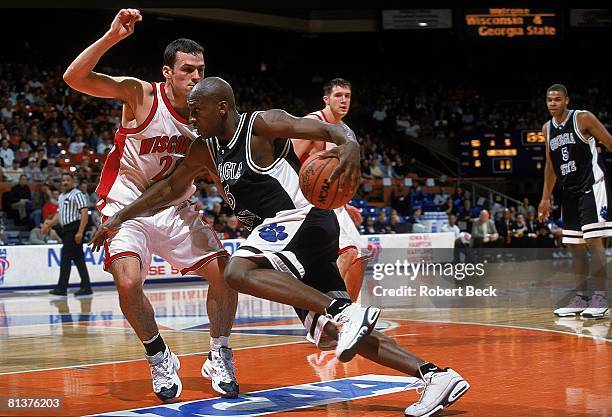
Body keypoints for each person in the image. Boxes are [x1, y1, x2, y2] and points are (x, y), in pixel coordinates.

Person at [91, 77, 469, 417]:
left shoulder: (260, 124)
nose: (190, 119)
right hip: (287, 241)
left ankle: (342, 310)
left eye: (196, 111)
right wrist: (118, 217)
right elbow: (168, 189)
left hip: (300, 220)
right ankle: (436, 376)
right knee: (330, 335)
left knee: (237, 271)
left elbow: (324, 128)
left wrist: (350, 145)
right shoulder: (206, 149)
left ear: (221, 107)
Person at [64, 9, 238, 401]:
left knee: (225, 275)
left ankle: (219, 351)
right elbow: (73, 79)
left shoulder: (207, 116)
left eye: (201, 69)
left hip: (175, 208)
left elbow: (220, 169)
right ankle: (159, 354)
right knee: (128, 283)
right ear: (167, 72)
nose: (196, 77)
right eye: (188, 70)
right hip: (126, 202)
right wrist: (111, 37)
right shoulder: (140, 94)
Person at [539, 84, 611, 318]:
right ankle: (581, 297)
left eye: (557, 99)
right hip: (568, 191)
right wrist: (545, 198)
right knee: (575, 247)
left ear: (567, 100)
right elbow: (550, 165)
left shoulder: (583, 119)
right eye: (549, 100)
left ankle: (601, 296)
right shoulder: (547, 129)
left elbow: (610, 142)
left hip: (591, 185)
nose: (552, 103)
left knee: (593, 241)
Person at [292, 78, 368, 301]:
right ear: (326, 99)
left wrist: (345, 204)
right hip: (308, 200)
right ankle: (329, 312)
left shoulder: (345, 131)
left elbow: (333, 180)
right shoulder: (313, 124)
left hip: (330, 202)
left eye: (347, 96)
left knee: (359, 256)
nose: (344, 100)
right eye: (338, 95)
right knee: (348, 251)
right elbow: (288, 161)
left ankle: (347, 312)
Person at [48, 173, 92, 296]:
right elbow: (59, 215)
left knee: (65, 258)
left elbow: (84, 213)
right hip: (65, 230)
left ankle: (62, 288)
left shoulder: (77, 194)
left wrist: (80, 231)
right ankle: (86, 287)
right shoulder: (61, 196)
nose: (65, 182)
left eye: (68, 180)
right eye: (63, 180)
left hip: (74, 229)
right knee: (79, 260)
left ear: (73, 181)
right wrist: (48, 224)